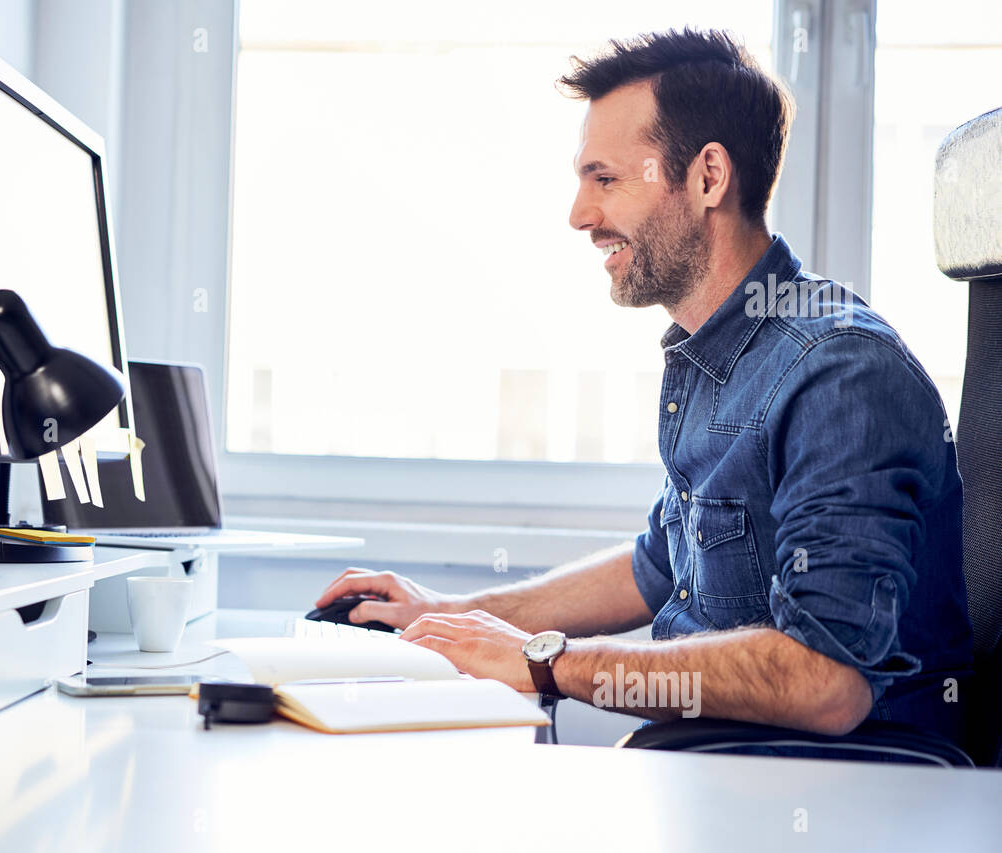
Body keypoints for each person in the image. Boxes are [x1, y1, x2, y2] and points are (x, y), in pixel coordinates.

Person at [313, 28, 972, 750]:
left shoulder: (840, 375)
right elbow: (657, 566)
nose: (580, 215)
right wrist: (450, 616)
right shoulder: (720, 353)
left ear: (708, 177)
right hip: (722, 764)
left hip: (848, 789)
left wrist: (546, 662)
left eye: (606, 179)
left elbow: (827, 679)